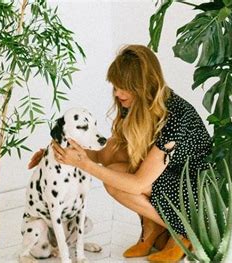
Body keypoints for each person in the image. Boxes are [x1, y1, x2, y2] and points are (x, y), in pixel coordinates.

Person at [28, 44, 212, 261]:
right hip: (171, 176)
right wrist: (63, 153)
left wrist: (84, 165)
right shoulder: (135, 104)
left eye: (123, 87)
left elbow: (138, 184)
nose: (117, 93)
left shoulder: (176, 117)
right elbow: (107, 155)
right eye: (115, 86)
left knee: (117, 181)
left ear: (143, 85)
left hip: (197, 190)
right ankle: (155, 229)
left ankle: (184, 232)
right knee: (115, 164)